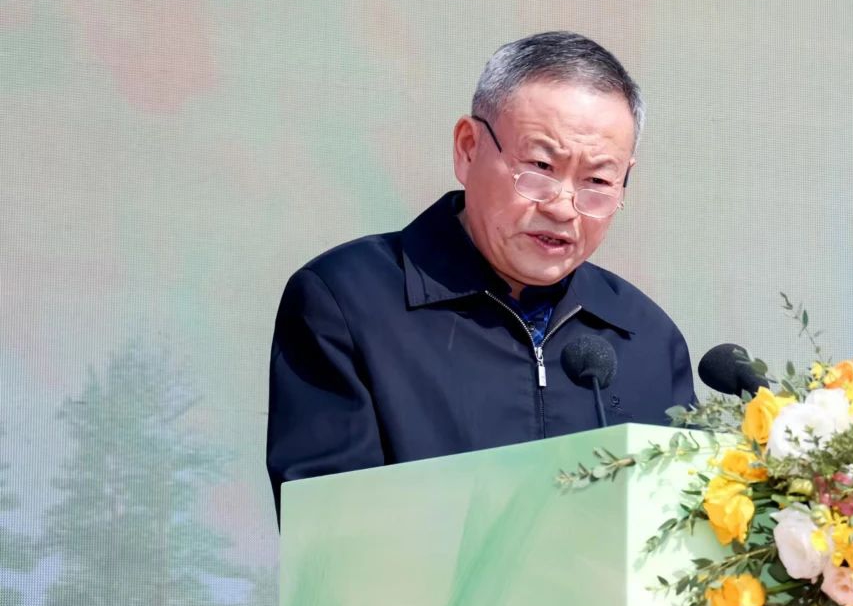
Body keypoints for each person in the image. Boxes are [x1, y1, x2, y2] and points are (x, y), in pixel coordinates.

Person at [267, 31, 696, 516]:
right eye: (540, 166)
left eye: (597, 181)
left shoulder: (646, 337)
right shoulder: (348, 302)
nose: (562, 206)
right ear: (468, 149)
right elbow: (333, 536)